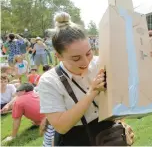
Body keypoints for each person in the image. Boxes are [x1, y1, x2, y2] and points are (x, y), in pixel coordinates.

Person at [38, 12, 146, 146]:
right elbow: (61, 126)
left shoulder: (101, 63)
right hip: (75, 140)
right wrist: (92, 93)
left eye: (89, 53)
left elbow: (122, 98)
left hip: (108, 135)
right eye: (76, 58)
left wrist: (146, 67)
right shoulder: (49, 81)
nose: (86, 61)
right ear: (58, 56)